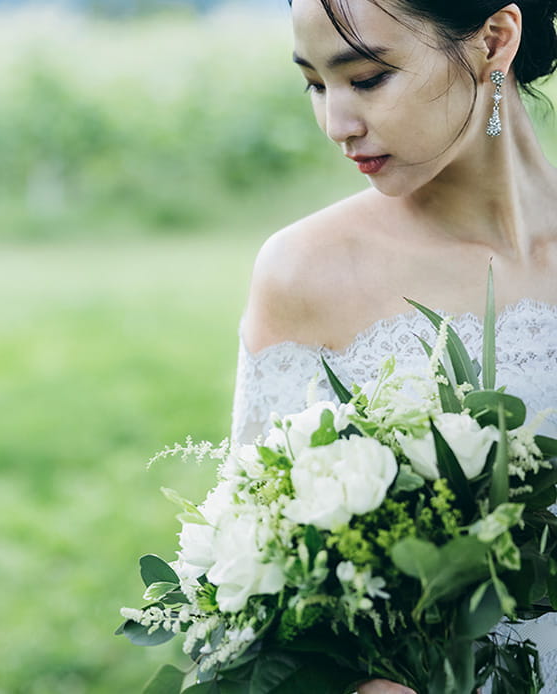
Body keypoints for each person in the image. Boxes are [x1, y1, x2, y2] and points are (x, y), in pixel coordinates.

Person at [230, 0, 557, 692]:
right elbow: (258, 591)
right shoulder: (305, 272)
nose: (335, 125)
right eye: (316, 84)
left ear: (494, 40)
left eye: (368, 78)